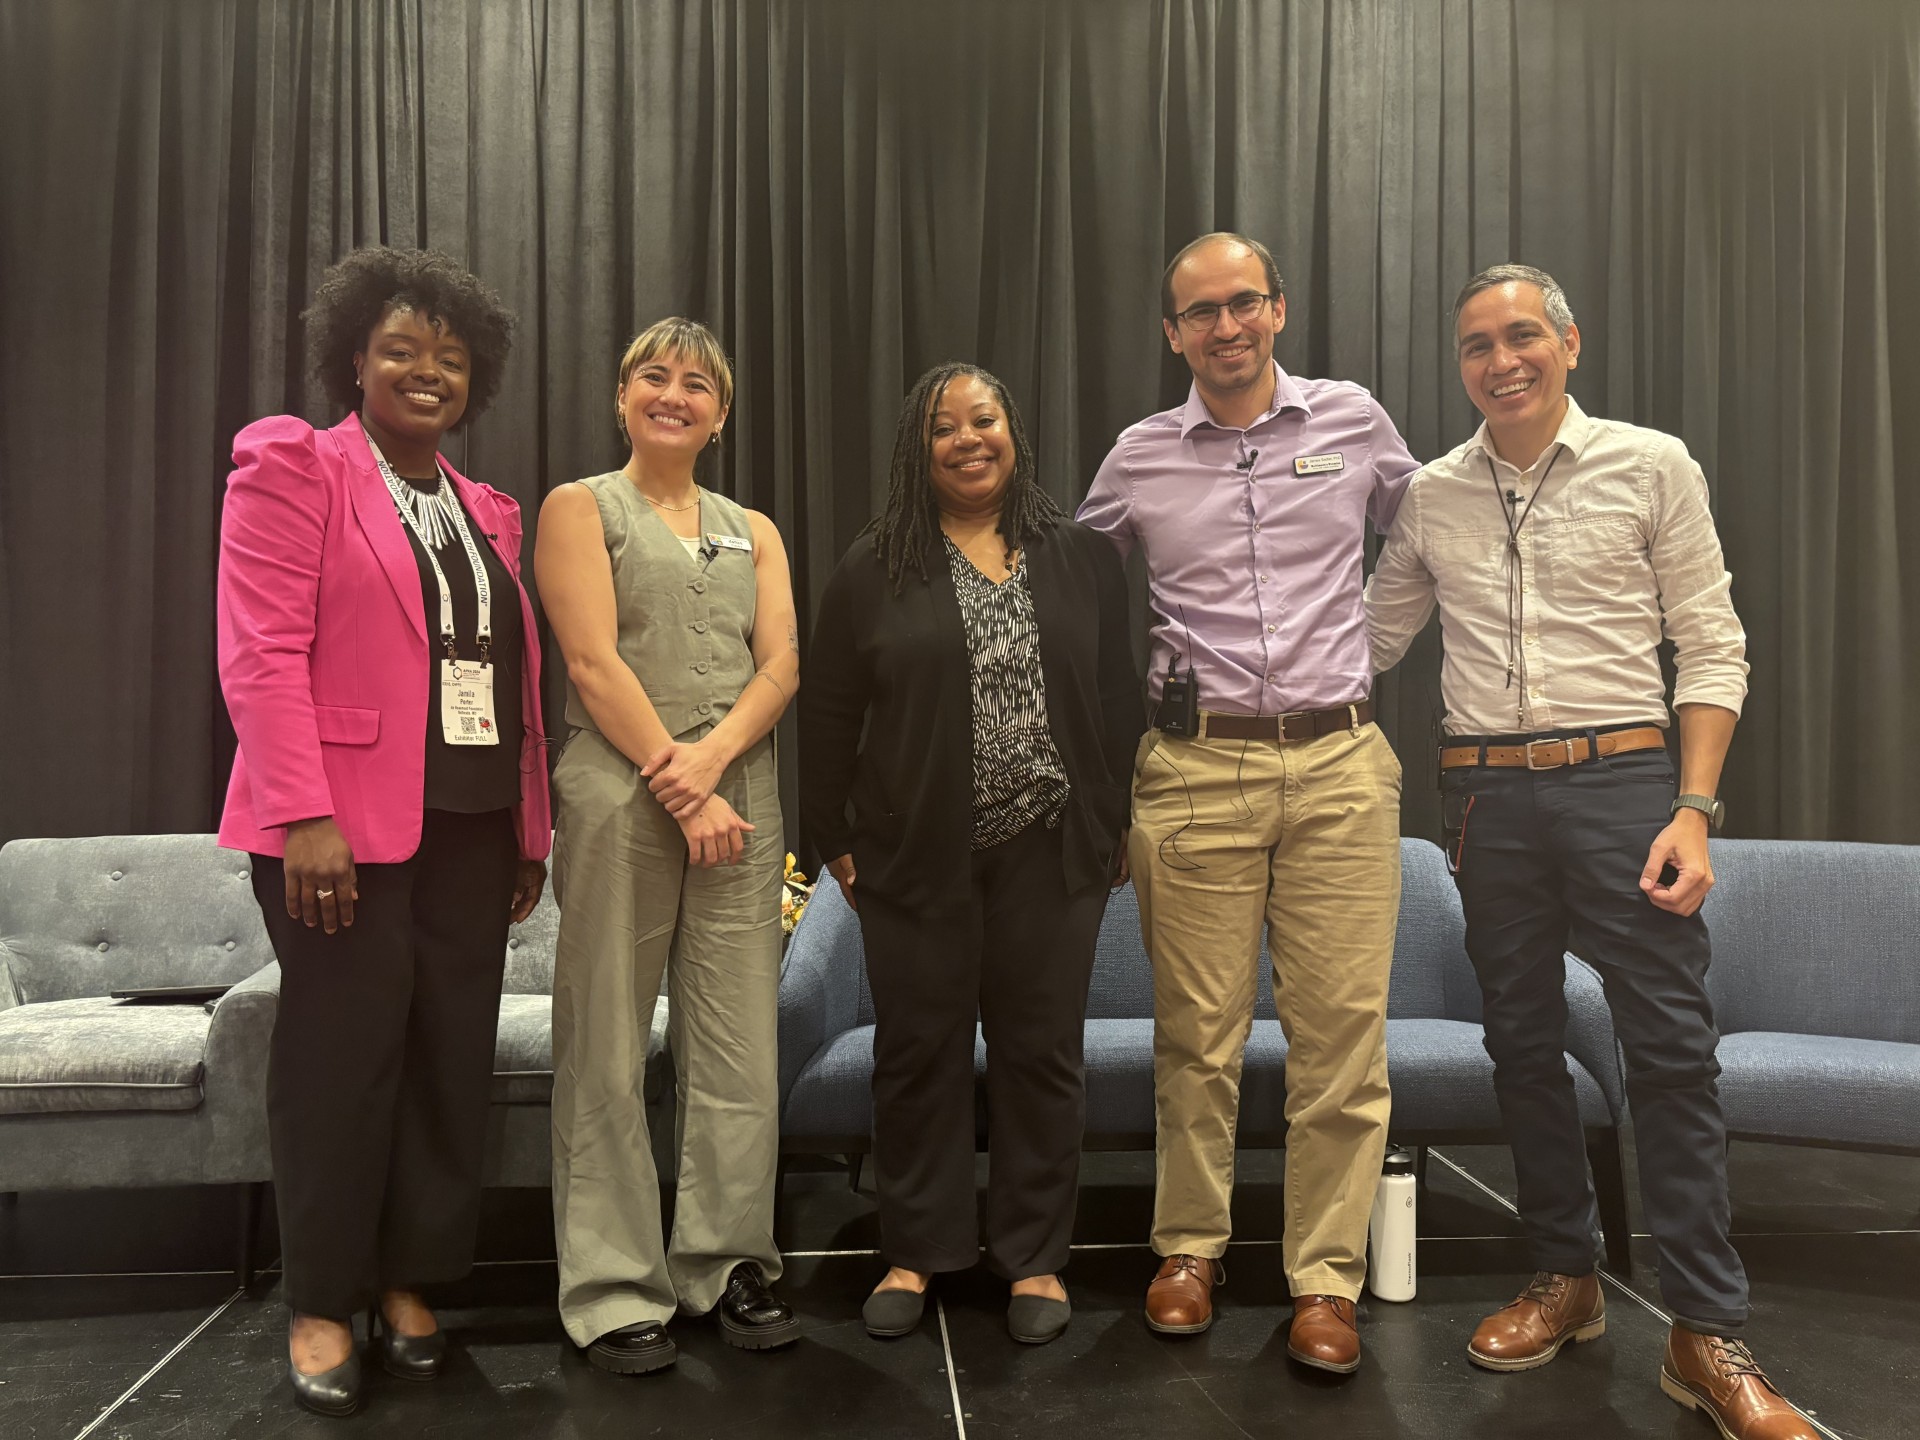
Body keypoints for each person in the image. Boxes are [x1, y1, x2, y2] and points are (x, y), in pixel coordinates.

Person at [1366, 264, 1816, 1438]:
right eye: (1477, 344)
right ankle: (1566, 1279)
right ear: (1458, 364)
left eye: (1522, 335)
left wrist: (1695, 808)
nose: (1501, 359)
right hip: (1484, 800)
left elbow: (1713, 645)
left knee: (1668, 1049)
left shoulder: (1652, 463)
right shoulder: (1430, 492)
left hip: (1627, 785)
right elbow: (1366, 641)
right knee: (1519, 1041)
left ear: (1569, 340)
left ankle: (1705, 1328)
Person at [217, 246, 550, 1417]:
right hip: (335, 829)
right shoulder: (293, 466)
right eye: (402, 349)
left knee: (445, 1059)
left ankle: (411, 1279)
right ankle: (321, 1297)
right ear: (354, 357)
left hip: (467, 824)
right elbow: (258, 652)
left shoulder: (486, 510)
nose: (427, 371)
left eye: (450, 358)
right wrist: (303, 809)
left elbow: (505, 678)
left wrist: (527, 826)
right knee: (337, 1064)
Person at [1076, 233, 1417, 1372]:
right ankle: (1189, 1249)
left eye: (1243, 304)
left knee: (1341, 1042)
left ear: (1278, 309)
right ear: (1173, 333)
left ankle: (1325, 1280)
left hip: (1339, 767)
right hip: (1194, 770)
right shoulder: (1137, 455)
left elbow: (1432, 541)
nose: (1225, 327)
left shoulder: (1355, 422)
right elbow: (1068, 599)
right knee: (1198, 1034)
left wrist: (1370, 649)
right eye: (1199, 312)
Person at [799, 363, 1142, 1346]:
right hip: (913, 856)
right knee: (918, 1057)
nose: (965, 439)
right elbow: (828, 712)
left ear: (1013, 430)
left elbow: (1117, 697)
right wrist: (835, 840)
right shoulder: (876, 565)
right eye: (943, 428)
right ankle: (919, 1248)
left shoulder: (1077, 555)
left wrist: (1112, 817)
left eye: (981, 419)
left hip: (1052, 852)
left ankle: (1034, 1257)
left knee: (1042, 1056)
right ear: (920, 447)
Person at [536, 318, 801, 1375]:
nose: (674, 394)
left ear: (721, 414)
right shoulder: (578, 509)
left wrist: (716, 761)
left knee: (739, 1044)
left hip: (743, 796)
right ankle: (610, 1289)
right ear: (622, 398)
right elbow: (592, 664)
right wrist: (679, 783)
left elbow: (779, 665)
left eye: (698, 384)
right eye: (655, 376)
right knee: (604, 1041)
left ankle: (728, 1261)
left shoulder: (756, 529)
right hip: (618, 795)